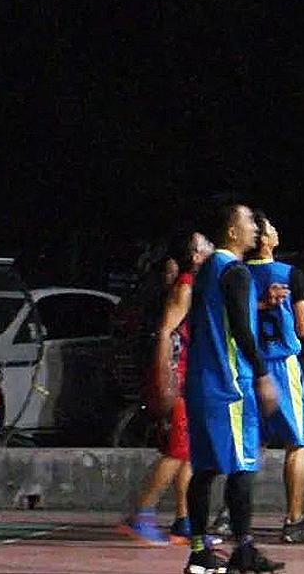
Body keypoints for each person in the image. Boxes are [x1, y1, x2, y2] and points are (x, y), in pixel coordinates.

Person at [183, 204, 283, 574]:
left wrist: (259, 303)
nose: (255, 228)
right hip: (230, 385)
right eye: (248, 222)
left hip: (201, 381)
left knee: (205, 469)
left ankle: (199, 551)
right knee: (242, 467)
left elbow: (215, 319)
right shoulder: (236, 271)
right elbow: (240, 329)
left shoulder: (208, 269)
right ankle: (243, 548)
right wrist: (262, 374)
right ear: (231, 231)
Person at [120, 231, 216, 546]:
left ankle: (185, 521)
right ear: (196, 256)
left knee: (190, 452)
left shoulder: (195, 285)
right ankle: (141, 513)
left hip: (188, 376)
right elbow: (165, 332)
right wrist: (166, 379)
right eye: (206, 245)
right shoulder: (185, 286)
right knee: (177, 450)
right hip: (177, 378)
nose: (212, 248)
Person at [245, 211, 304, 544]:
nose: (277, 231)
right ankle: (293, 519)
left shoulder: (237, 274)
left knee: (254, 443)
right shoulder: (289, 274)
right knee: (296, 443)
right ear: (264, 239)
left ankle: (231, 515)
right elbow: (303, 328)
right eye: (271, 228)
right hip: (281, 363)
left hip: (249, 364)